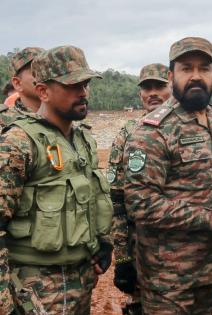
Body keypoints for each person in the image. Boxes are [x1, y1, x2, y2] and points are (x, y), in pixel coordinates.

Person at [124, 36, 212, 314]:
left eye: (204, 68)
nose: (196, 76)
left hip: (211, 270)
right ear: (171, 76)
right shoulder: (153, 131)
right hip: (168, 279)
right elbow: (140, 203)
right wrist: (210, 217)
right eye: (186, 68)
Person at [0, 45, 113, 315]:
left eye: (85, 84)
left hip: (81, 283)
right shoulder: (19, 142)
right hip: (35, 291)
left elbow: (88, 201)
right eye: (72, 85)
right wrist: (5, 302)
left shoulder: (84, 139)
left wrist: (102, 243)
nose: (83, 92)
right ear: (43, 92)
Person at [108, 63, 170, 314]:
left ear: (172, 88)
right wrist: (122, 258)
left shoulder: (190, 128)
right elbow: (116, 199)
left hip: (186, 249)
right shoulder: (128, 133)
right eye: (147, 88)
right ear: (140, 94)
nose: (153, 93)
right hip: (141, 247)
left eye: (159, 86)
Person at [0, 47, 44, 129]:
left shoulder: (67, 114)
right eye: (37, 71)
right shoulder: (3, 121)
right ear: (17, 83)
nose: (46, 75)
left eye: (48, 69)